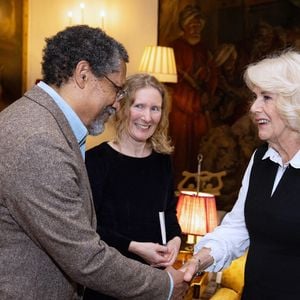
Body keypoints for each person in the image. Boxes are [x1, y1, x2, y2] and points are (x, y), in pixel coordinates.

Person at [0, 25, 188, 300]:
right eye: (116, 89)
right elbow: (85, 258)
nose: (115, 103)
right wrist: (166, 285)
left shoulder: (39, 121)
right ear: (83, 74)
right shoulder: (40, 141)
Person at [181, 49, 300, 299]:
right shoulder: (260, 160)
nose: (254, 108)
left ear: (294, 103)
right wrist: (198, 261)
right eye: (254, 97)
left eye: (266, 97)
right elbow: (237, 228)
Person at [84, 73, 182, 299]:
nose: (147, 117)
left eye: (155, 109)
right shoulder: (96, 161)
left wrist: (175, 240)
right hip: (106, 282)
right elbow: (88, 228)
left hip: (152, 282)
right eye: (139, 106)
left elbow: (168, 213)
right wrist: (134, 246)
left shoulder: (162, 161)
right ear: (123, 108)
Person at [168, 4, 217, 185]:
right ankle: (178, 182)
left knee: (200, 143)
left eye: (198, 25)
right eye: (192, 25)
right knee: (180, 144)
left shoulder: (204, 49)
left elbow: (213, 75)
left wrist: (208, 89)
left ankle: (197, 182)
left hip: (199, 104)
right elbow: (173, 77)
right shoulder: (175, 47)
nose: (196, 29)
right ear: (185, 26)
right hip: (182, 103)